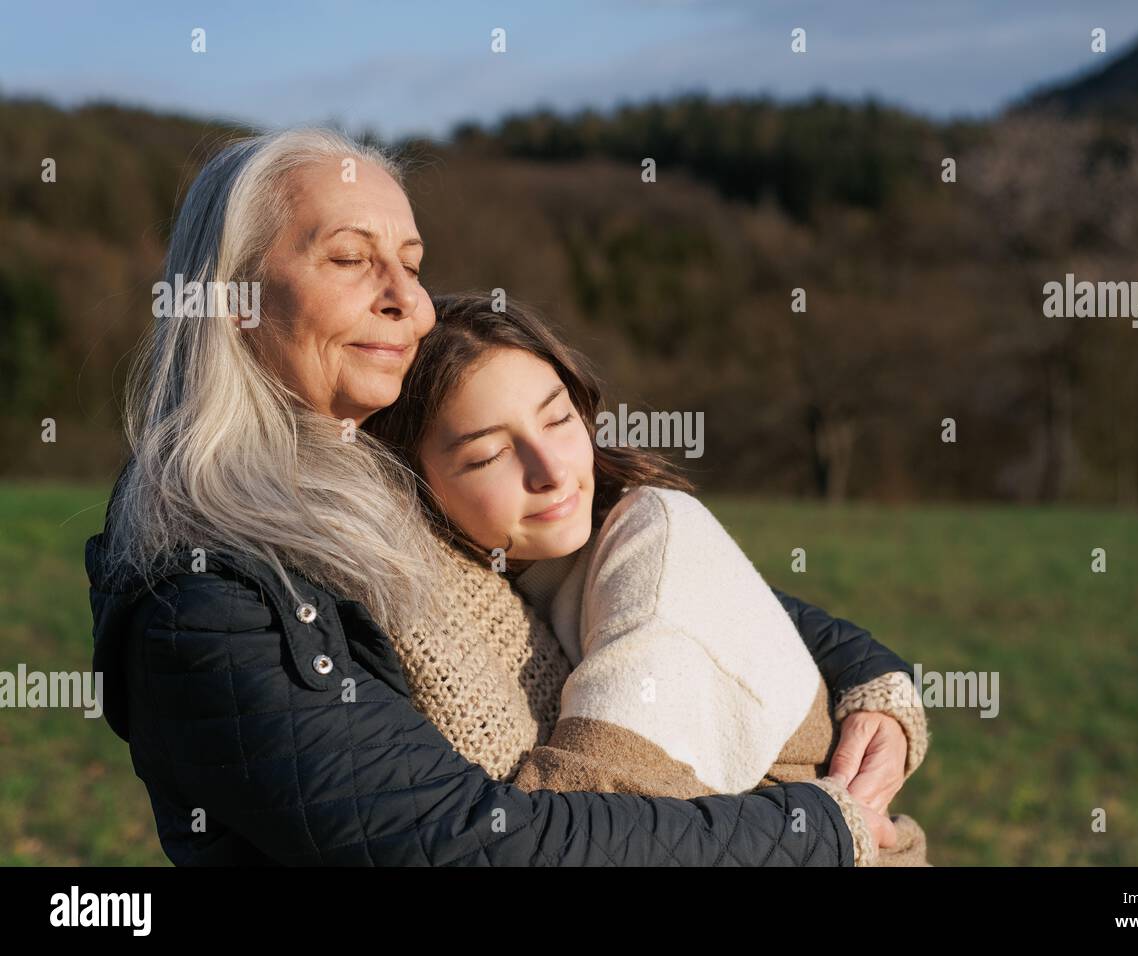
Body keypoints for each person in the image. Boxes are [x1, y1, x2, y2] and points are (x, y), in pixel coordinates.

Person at [86, 126, 924, 865]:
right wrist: (814, 831)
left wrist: (871, 688)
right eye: (349, 259)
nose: (407, 302)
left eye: (412, 266)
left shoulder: (377, 472)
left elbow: (666, 578)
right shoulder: (204, 593)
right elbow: (464, 844)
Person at [364, 293, 931, 866]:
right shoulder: (528, 574)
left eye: (558, 419)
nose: (552, 471)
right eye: (490, 455)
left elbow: (578, 822)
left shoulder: (655, 546)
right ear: (412, 485)